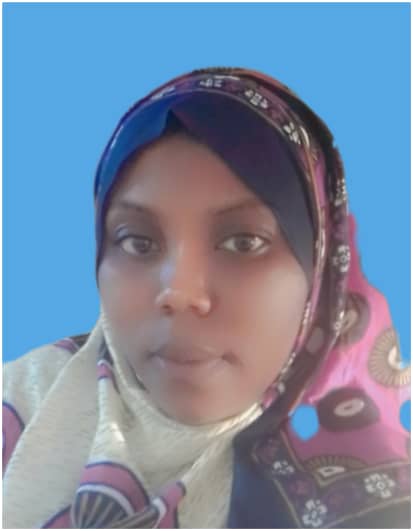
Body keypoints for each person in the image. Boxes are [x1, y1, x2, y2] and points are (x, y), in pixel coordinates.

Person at [3, 67, 410, 529]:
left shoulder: (387, 507)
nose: (180, 293)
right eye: (137, 242)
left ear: (321, 270)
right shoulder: (21, 405)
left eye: (243, 242)